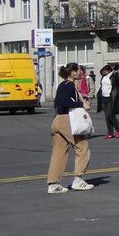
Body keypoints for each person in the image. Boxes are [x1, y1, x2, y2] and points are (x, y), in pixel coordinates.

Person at [46, 62, 94, 194]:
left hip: (58, 120)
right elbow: (64, 102)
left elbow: (58, 103)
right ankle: (78, 179)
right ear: (73, 72)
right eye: (79, 70)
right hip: (67, 119)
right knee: (82, 146)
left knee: (59, 152)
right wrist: (82, 104)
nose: (81, 72)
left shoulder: (62, 84)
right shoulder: (70, 85)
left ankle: (53, 184)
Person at [105, 66, 119, 138]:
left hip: (112, 97)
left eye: (106, 70)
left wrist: (118, 92)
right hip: (105, 97)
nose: (104, 72)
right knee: (107, 116)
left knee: (110, 114)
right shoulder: (104, 77)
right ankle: (110, 132)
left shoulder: (115, 76)